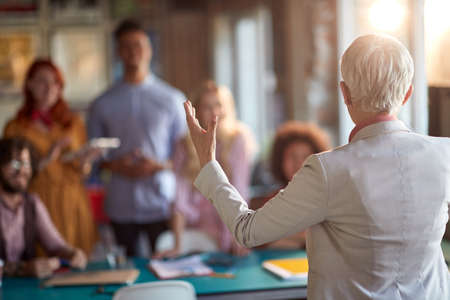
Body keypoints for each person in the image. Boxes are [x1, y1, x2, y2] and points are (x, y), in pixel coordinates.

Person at [184, 34, 450, 299]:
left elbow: (247, 231)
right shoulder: (445, 154)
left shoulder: (327, 170)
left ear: (345, 93)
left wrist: (208, 162)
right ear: (407, 94)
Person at [87, 19, 186, 256]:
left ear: (149, 50)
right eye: (126, 46)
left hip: (162, 204)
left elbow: (186, 156)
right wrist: (115, 165)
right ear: (118, 52)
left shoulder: (171, 99)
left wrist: (159, 165)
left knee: (163, 269)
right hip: (120, 205)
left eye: (139, 45)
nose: (133, 52)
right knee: (127, 274)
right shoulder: (102, 104)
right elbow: (93, 158)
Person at [3, 59, 98, 255]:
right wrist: (49, 156)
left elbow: (83, 172)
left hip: (72, 200)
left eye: (55, 82)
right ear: (29, 84)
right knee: (44, 260)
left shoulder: (73, 122)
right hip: (39, 199)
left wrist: (87, 160)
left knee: (77, 258)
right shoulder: (15, 126)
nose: (49, 88)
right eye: (42, 81)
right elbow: (9, 174)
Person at [155, 81, 256, 258]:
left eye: (219, 105)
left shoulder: (239, 139)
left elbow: (240, 190)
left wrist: (239, 237)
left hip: (229, 225)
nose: (215, 112)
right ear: (197, 111)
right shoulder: (184, 144)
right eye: (207, 106)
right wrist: (177, 245)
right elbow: (180, 196)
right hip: (196, 228)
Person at [0, 137, 87, 278]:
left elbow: (55, 246)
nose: (22, 170)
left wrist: (73, 254)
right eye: (15, 163)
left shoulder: (32, 203)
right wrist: (22, 269)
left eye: (26, 163)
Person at [251, 121, 330, 249]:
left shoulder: (327, 199)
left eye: (305, 156)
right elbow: (258, 240)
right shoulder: (272, 201)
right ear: (280, 161)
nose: (299, 163)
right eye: (292, 156)